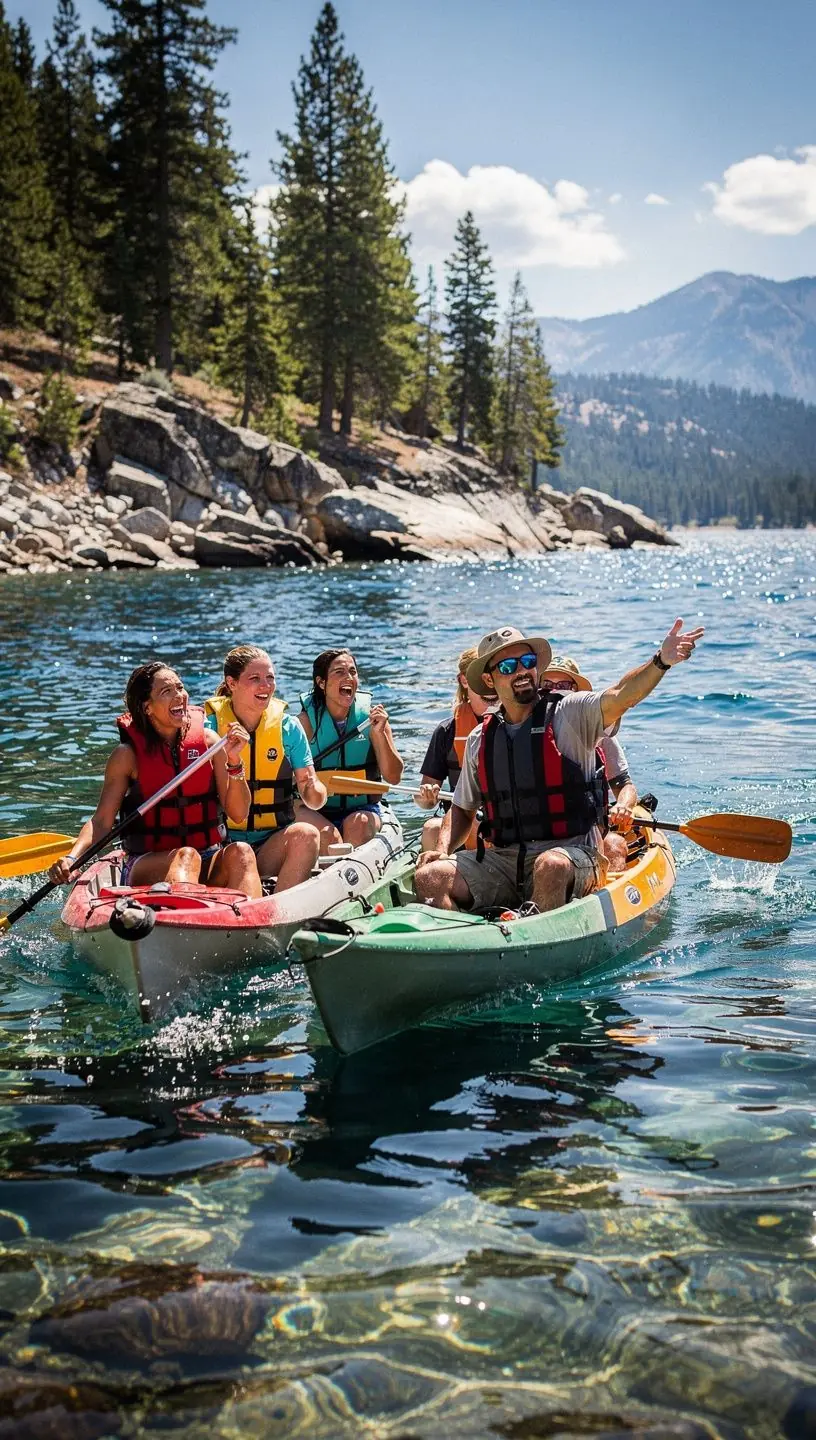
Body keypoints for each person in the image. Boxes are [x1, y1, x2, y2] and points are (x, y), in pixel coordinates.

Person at [415, 618, 703, 915]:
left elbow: (621, 695)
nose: (521, 671)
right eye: (507, 667)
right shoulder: (481, 738)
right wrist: (443, 849)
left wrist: (660, 662)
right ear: (489, 680)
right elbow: (461, 810)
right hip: (504, 860)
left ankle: (533, 941)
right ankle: (460, 942)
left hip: (576, 855)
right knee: (429, 877)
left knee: (550, 865)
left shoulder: (570, 713)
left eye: (527, 661)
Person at [48, 661, 262, 897]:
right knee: (186, 855)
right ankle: (184, 923)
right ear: (146, 707)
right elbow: (101, 822)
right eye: (166, 692)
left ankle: (250, 925)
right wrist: (72, 856)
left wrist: (234, 760)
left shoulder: (210, 743)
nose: (179, 696)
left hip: (208, 855)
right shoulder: (127, 756)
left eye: (180, 688)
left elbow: (239, 813)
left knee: (242, 852)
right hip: (147, 863)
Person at [204, 645, 328, 891]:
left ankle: (277, 914)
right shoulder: (209, 729)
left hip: (270, 845)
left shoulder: (288, 728)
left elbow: (314, 796)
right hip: (222, 848)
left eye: (270, 677)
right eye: (255, 678)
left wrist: (313, 789)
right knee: (240, 854)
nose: (266, 685)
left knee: (307, 834)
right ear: (232, 683)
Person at [296, 648, 404, 852]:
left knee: (358, 825)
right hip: (313, 808)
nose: (349, 678)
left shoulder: (373, 721)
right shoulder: (303, 724)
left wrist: (380, 735)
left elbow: (394, 777)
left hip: (361, 807)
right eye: (339, 672)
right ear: (321, 683)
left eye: (353, 672)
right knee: (330, 837)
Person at [539, 655, 638, 871]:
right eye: (547, 686)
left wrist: (623, 805)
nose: (555, 691)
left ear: (575, 691)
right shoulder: (525, 732)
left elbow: (624, 784)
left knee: (614, 845)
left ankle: (604, 894)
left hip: (587, 832)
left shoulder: (598, 731)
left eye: (563, 685)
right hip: (537, 836)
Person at [413, 645, 494, 852]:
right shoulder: (446, 731)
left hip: (502, 822)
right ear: (465, 680)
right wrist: (426, 798)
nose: (488, 685)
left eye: (492, 676)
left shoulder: (514, 722)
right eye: (480, 677)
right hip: (460, 823)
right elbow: (425, 802)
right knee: (432, 828)